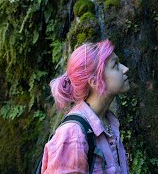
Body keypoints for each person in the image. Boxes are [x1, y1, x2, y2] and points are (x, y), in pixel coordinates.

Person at [41, 39, 130, 173]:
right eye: (115, 65)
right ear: (94, 81)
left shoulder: (107, 122)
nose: (125, 69)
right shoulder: (73, 135)